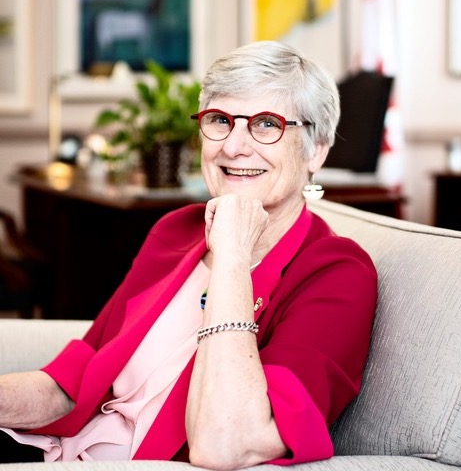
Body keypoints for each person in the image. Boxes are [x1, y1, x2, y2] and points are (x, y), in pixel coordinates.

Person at [0, 40, 377, 468]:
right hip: (51, 449)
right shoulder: (176, 230)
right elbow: (71, 384)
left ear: (316, 149)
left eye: (267, 124)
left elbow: (228, 442)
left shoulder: (335, 274)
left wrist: (233, 257)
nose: (233, 147)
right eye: (219, 120)